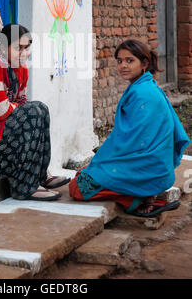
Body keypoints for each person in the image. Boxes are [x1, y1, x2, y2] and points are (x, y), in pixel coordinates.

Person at [69, 39, 191, 217]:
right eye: (119, 61)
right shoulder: (146, 86)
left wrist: (101, 161)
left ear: (144, 63)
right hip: (156, 168)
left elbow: (131, 142)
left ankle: (135, 201)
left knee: (78, 187)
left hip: (149, 170)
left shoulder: (142, 93)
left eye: (129, 60)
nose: (123, 66)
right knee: (85, 173)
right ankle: (143, 196)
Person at [0, 23, 70, 201]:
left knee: (40, 110)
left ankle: (40, 175)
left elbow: (18, 101)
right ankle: (26, 188)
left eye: (26, 48)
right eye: (17, 48)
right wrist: (15, 107)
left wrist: (13, 107)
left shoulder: (20, 67)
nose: (23, 53)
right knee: (32, 112)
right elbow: (0, 111)